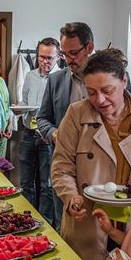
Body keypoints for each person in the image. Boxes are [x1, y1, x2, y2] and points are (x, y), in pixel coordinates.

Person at [51, 49, 131, 260]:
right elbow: (61, 166)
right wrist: (71, 196)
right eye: (91, 92)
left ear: (124, 81)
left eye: (108, 91)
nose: (100, 100)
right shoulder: (76, 114)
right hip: (88, 225)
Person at [37, 22, 95, 232]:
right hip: (64, 166)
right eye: (64, 54)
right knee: (64, 225)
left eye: (73, 53)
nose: (68, 59)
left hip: (98, 170)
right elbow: (42, 119)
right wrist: (53, 133)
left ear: (89, 47)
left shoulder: (109, 78)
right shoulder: (55, 80)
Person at [19, 37, 60, 226]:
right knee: (25, 182)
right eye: (42, 57)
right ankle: (26, 221)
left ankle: (45, 224)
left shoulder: (61, 78)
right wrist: (18, 109)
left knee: (47, 185)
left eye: (49, 58)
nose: (45, 61)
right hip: (28, 133)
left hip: (48, 137)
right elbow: (24, 101)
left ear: (58, 57)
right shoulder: (30, 75)